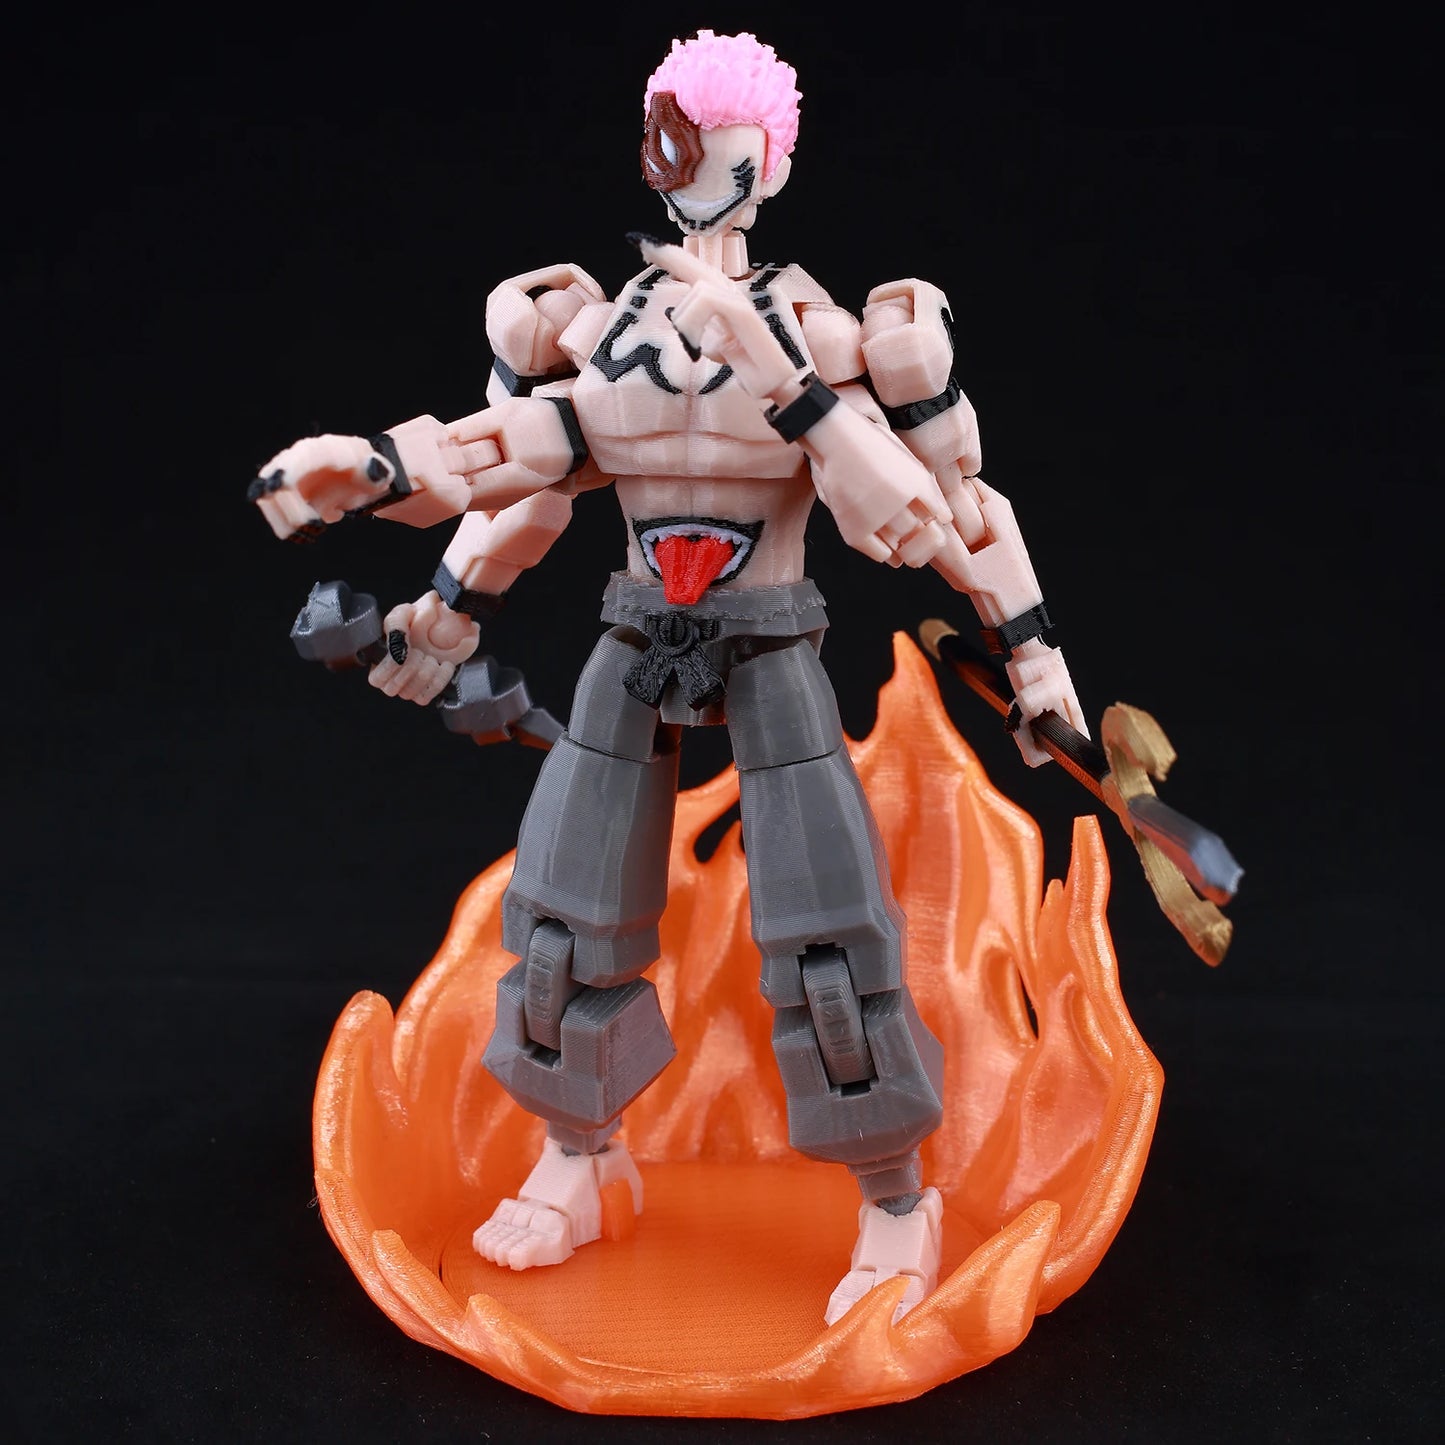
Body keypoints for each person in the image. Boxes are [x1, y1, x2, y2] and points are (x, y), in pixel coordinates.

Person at [250, 29, 1085, 1325]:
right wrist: (390, 484)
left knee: (825, 930)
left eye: (713, 140)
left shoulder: (834, 335)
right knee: (562, 918)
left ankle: (893, 1202)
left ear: (770, 161)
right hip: (637, 630)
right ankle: (579, 1160)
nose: (687, 164)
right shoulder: (602, 326)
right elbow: (528, 460)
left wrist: (1034, 658)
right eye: (668, 136)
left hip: (769, 635)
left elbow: (939, 515)